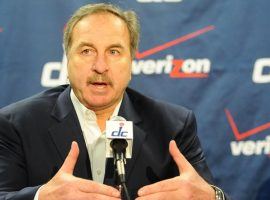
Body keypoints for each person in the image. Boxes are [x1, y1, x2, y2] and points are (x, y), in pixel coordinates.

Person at [0, 3, 228, 200]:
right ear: (67, 57)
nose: (100, 66)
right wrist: (42, 197)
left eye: (114, 52)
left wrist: (213, 196)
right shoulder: (17, 124)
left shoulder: (173, 126)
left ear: (132, 60)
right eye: (87, 50)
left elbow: (202, 192)